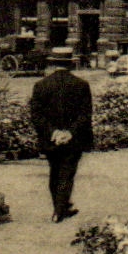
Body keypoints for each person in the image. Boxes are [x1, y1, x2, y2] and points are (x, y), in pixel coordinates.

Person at [29, 68, 94, 223]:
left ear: (51, 64)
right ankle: (59, 210)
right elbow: (85, 114)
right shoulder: (81, 84)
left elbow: (36, 115)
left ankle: (61, 207)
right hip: (74, 138)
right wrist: (70, 132)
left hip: (51, 138)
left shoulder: (41, 85)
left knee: (55, 171)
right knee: (67, 172)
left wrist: (53, 132)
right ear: (70, 63)